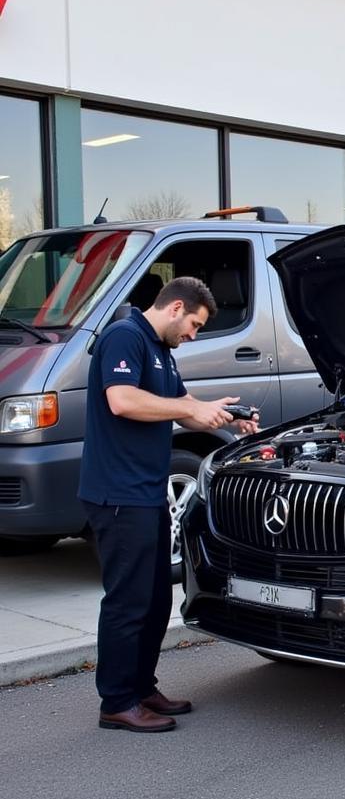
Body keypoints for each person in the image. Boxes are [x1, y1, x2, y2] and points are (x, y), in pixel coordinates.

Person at [80, 277, 260, 732]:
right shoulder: (125, 336)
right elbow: (121, 401)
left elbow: (180, 403)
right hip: (118, 493)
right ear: (176, 307)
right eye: (195, 325)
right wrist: (188, 410)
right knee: (128, 601)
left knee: (157, 598)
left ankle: (141, 686)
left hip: (146, 492)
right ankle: (117, 701)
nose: (193, 336)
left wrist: (223, 415)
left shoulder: (161, 350)